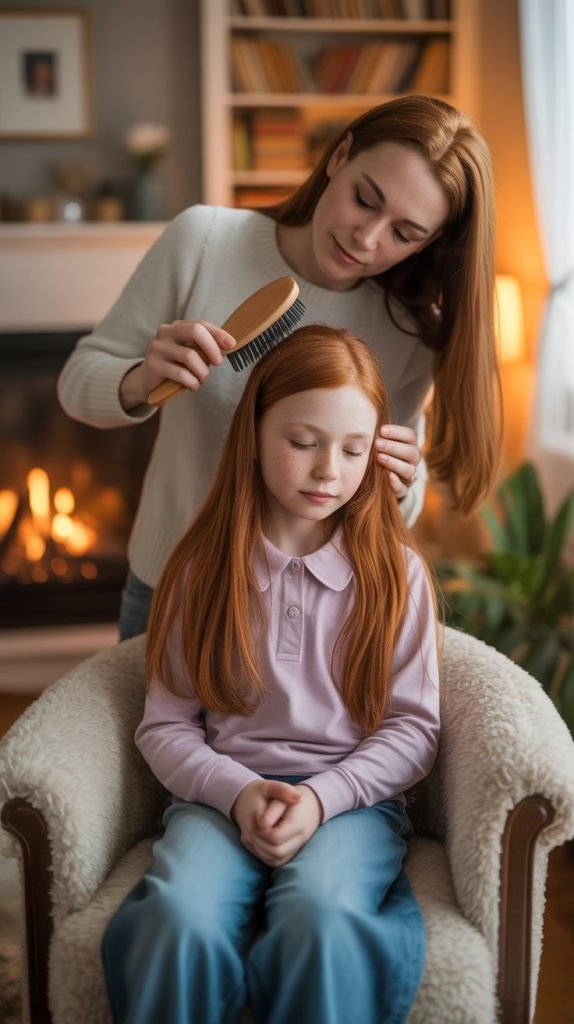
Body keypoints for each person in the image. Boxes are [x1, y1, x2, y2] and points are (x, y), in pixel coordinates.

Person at [57, 94, 500, 640]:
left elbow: (392, 508)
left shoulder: (409, 330)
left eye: (403, 233)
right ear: (339, 156)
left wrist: (401, 482)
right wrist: (141, 380)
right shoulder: (204, 241)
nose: (367, 238)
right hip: (172, 592)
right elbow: (77, 384)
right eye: (365, 199)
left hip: (310, 613)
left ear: (430, 243)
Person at [100, 325, 440, 1024]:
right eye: (302, 441)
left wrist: (319, 799)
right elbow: (165, 725)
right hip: (219, 799)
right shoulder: (200, 570)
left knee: (321, 918)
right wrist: (238, 792)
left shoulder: (397, 575)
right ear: (253, 434)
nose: (327, 472)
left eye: (352, 449)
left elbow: (413, 730)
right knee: (176, 919)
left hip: (351, 807)